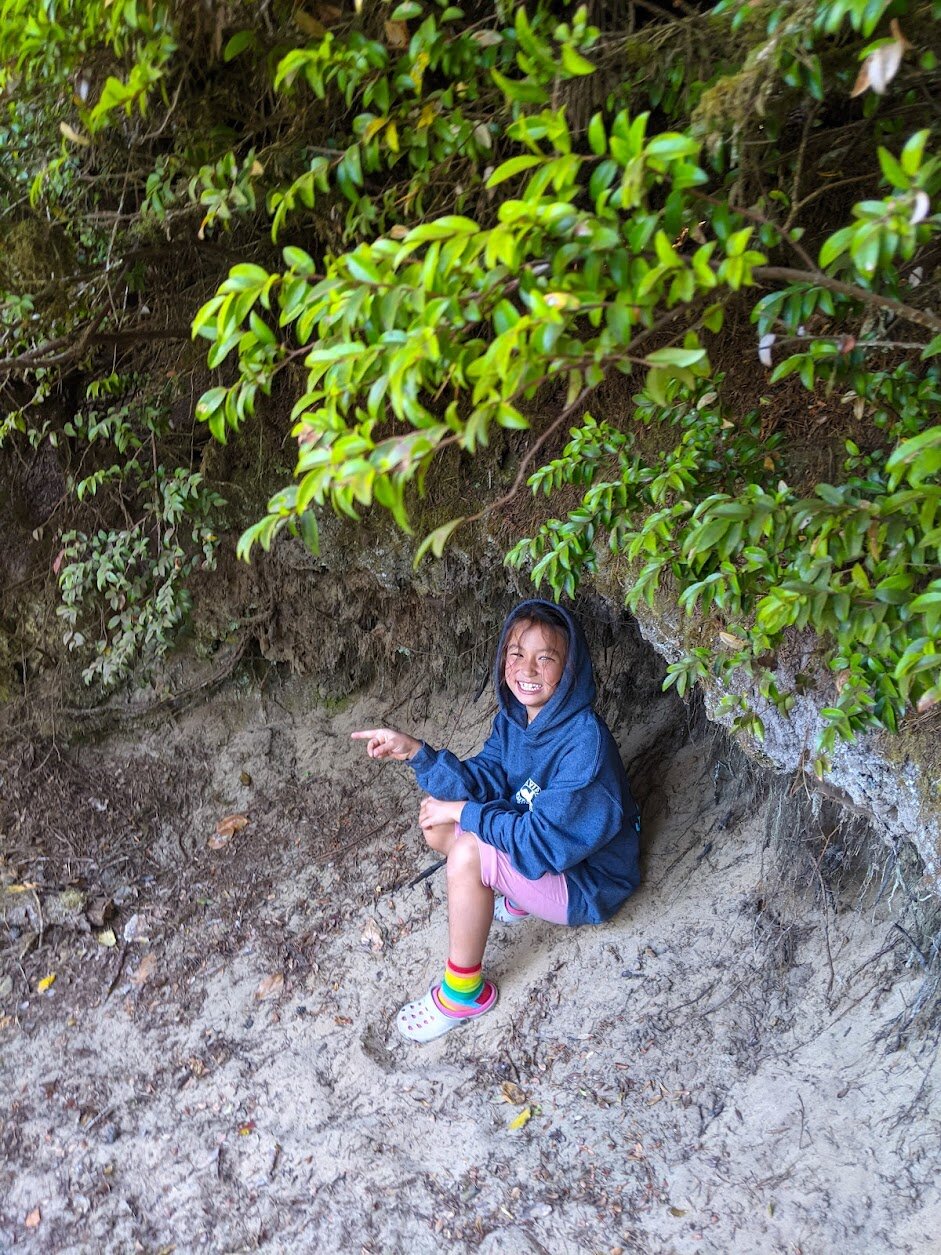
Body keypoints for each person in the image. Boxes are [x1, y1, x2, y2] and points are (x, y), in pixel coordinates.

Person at [351, 599, 641, 1043]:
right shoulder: (514, 722)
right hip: (548, 858)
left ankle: (463, 993)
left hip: (588, 884)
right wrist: (415, 752)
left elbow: (539, 841)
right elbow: (482, 781)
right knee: (439, 826)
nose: (528, 668)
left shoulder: (585, 742)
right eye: (516, 654)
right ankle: (518, 897)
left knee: (467, 847)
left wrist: (465, 813)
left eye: (546, 658)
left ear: (570, 670)